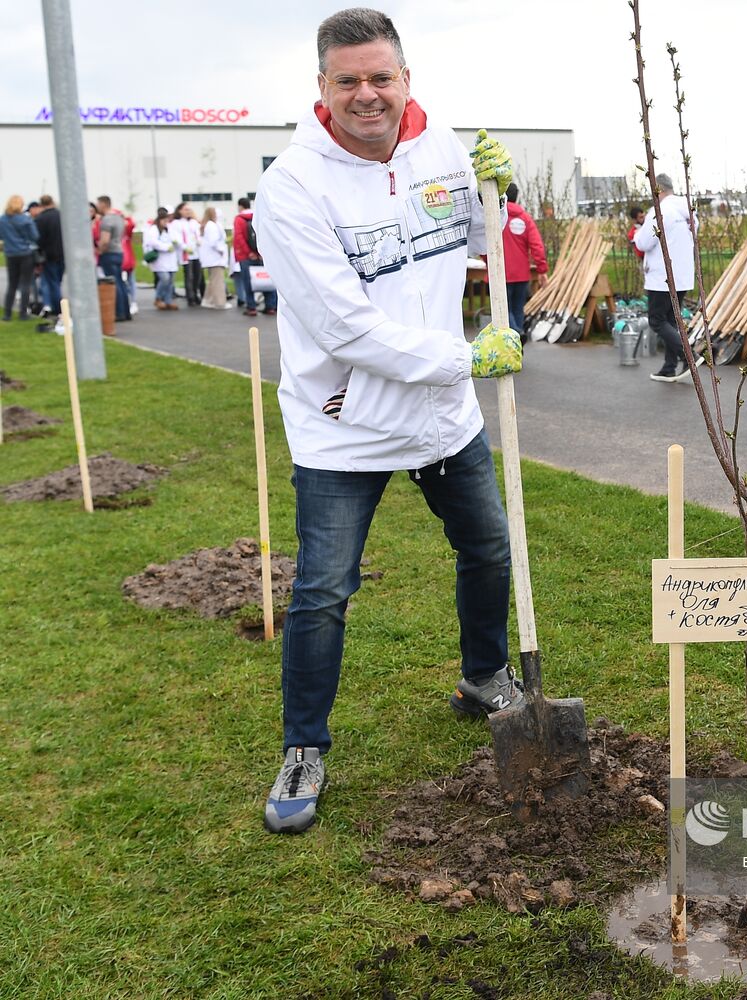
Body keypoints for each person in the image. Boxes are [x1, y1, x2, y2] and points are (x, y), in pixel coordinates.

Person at [252, 6, 522, 835]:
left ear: (406, 78)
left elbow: (491, 240)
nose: (366, 95)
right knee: (325, 590)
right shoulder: (292, 186)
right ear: (321, 88)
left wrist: (501, 193)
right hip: (344, 422)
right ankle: (304, 747)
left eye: (381, 77)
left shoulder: (445, 150)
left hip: (443, 416)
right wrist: (463, 358)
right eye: (348, 81)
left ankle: (484, 678)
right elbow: (342, 328)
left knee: (487, 547)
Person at [632, 174, 695, 383]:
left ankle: (689, 357)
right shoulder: (688, 210)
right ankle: (669, 367)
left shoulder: (659, 212)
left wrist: (636, 235)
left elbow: (643, 243)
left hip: (663, 277)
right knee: (669, 320)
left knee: (657, 320)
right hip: (683, 275)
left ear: (657, 190)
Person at [499, 182, 546, 340]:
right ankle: (518, 342)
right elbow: (536, 245)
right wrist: (541, 270)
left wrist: (488, 263)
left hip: (501, 273)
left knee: (504, 310)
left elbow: (485, 245)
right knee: (518, 309)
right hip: (521, 274)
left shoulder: (495, 217)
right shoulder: (525, 218)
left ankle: (516, 334)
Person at [233, 196, 276, 317]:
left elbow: (239, 237)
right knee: (265, 280)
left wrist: (249, 253)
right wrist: (262, 252)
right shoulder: (258, 215)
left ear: (240, 206)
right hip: (261, 255)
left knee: (249, 282)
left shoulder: (239, 219)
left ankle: (251, 307)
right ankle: (270, 306)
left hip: (247, 257)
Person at [0, 195, 40, 321]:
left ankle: (7, 314)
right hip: (25, 253)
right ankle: (23, 313)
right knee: (25, 284)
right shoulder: (25, 219)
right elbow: (35, 236)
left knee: (12, 284)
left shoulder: (3, 220)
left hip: (10, 254)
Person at [94, 196, 132, 321]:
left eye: (98, 204)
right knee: (120, 282)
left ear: (104, 204)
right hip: (119, 251)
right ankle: (126, 311)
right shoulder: (119, 218)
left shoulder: (106, 220)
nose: (97, 207)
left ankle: (119, 312)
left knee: (112, 283)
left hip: (109, 253)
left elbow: (105, 240)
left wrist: (99, 250)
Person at [143, 209, 181, 310]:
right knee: (164, 279)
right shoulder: (154, 229)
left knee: (170, 281)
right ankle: (158, 298)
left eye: (166, 220)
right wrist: (166, 247)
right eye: (163, 220)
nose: (165, 223)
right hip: (161, 260)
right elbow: (153, 242)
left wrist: (176, 243)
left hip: (171, 260)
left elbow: (176, 238)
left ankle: (168, 301)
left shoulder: (169, 229)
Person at [33, 195, 64, 318]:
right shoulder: (61, 215)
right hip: (62, 253)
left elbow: (38, 239)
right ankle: (54, 304)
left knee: (51, 281)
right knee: (57, 280)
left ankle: (56, 307)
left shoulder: (40, 219)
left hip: (48, 254)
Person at [170, 202, 203, 306]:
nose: (188, 211)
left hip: (196, 252)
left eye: (189, 209)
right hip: (186, 253)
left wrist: (199, 241)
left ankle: (196, 293)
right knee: (189, 276)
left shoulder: (193, 222)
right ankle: (190, 297)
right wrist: (185, 247)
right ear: (179, 211)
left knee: (198, 275)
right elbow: (175, 237)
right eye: (185, 209)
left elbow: (199, 233)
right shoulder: (176, 223)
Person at [198, 206, 231, 308]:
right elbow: (214, 242)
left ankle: (207, 300)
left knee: (213, 280)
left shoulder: (210, 225)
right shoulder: (211, 225)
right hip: (215, 257)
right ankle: (219, 302)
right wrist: (220, 250)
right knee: (218, 280)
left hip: (213, 257)